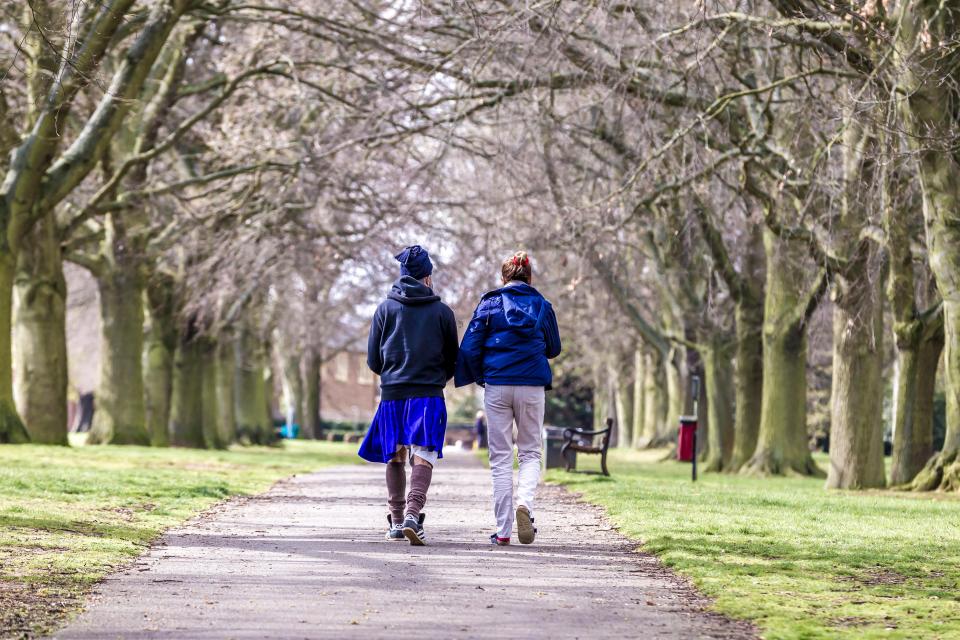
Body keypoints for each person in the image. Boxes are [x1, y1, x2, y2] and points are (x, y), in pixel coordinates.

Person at [455, 251, 561, 546]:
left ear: (503, 278)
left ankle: (502, 531)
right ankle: (524, 505)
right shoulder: (542, 305)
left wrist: (479, 376)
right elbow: (553, 348)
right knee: (529, 452)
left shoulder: (489, 303)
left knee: (500, 458)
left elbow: (470, 347)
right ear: (529, 278)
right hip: (532, 386)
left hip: (498, 386)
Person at [358, 245, 459, 546]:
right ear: (427, 278)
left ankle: (397, 521)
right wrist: (436, 379)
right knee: (423, 455)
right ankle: (414, 513)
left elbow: (373, 361)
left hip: (392, 394)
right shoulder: (443, 312)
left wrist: (393, 375)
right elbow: (454, 358)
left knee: (395, 455)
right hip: (427, 394)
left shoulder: (384, 310)